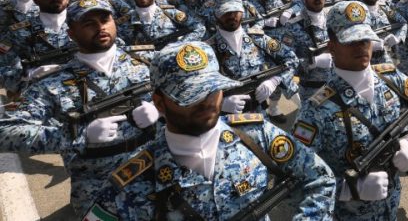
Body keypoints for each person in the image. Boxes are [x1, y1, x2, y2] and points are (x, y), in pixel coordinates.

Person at [84, 41, 337, 220]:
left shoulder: (256, 135)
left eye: (212, 89)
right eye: (190, 95)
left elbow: (320, 178)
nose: (207, 101)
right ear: (159, 103)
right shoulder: (128, 184)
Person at [0, 0, 158, 216]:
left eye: (105, 19)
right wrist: (76, 134)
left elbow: (194, 97)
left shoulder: (149, 61)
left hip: (156, 169)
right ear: (71, 33)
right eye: (88, 23)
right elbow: (6, 131)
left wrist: (162, 110)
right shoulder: (53, 83)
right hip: (99, 187)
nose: (100, 27)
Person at [292, 0, 408, 220]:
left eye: (365, 38)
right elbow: (295, 181)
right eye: (351, 40)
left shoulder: (391, 79)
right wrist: (347, 189)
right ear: (331, 45)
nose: (361, 46)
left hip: (390, 207)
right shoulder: (314, 111)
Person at [206, 0, 300, 122]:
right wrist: (219, 103)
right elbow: (191, 95)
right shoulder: (207, 50)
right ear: (215, 12)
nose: (231, 15)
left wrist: (274, 81)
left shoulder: (257, 39)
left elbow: (291, 59)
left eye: (234, 10)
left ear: (242, 10)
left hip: (259, 116)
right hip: (223, 124)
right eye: (224, 11)